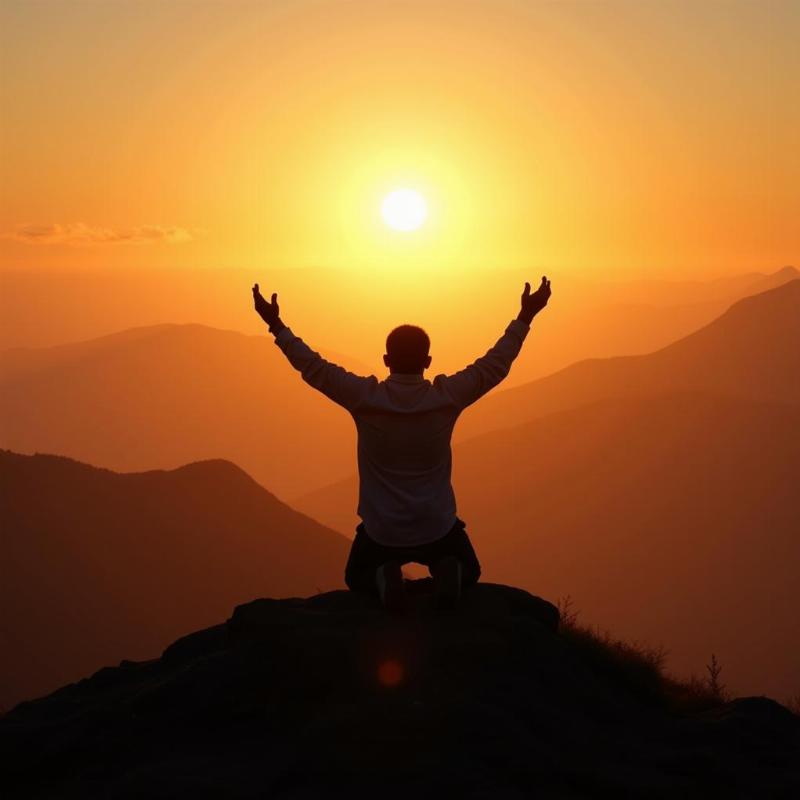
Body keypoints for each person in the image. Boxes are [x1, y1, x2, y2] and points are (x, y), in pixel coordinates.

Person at [252, 276, 552, 611]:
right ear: (427, 361)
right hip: (436, 525)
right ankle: (444, 571)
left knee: (356, 577)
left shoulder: (365, 398)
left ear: (385, 360)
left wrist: (275, 324)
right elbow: (494, 365)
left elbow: (314, 367)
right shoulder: (446, 398)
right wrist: (526, 316)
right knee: (470, 570)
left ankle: (383, 577)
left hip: (382, 531)